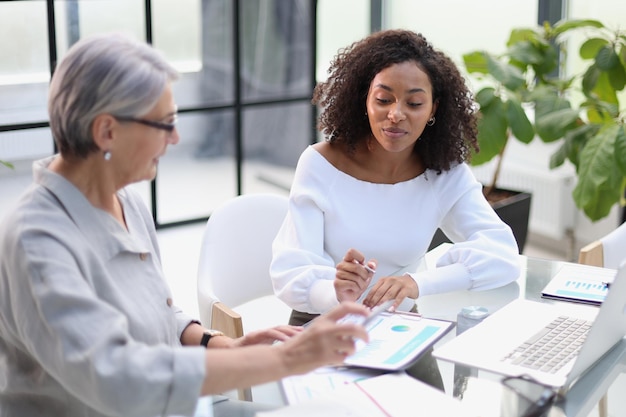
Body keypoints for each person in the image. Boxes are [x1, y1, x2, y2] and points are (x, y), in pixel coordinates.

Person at [0, 33, 372, 417]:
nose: (175, 138)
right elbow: (118, 380)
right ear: (107, 131)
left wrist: (217, 344)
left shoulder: (123, 199)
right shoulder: (36, 241)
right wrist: (286, 360)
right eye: (164, 123)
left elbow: (154, 312)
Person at [270, 29, 522, 389]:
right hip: (322, 320)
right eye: (383, 100)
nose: (396, 115)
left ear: (433, 109)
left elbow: (502, 255)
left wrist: (415, 283)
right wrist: (337, 289)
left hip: (399, 326)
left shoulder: (444, 174)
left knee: (433, 408)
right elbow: (291, 272)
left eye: (414, 104)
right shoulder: (320, 165)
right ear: (364, 100)